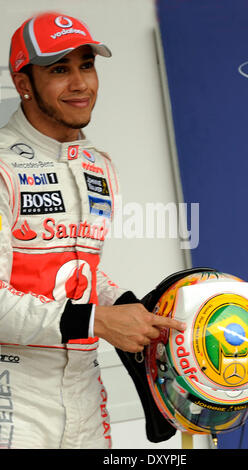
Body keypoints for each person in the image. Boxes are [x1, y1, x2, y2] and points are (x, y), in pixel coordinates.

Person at [0, 11, 186, 449]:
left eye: (86, 65)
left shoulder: (97, 166)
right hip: (14, 394)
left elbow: (75, 267)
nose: (80, 83)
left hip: (84, 389)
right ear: (24, 83)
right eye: (59, 69)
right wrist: (98, 320)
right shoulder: (4, 168)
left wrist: (129, 307)